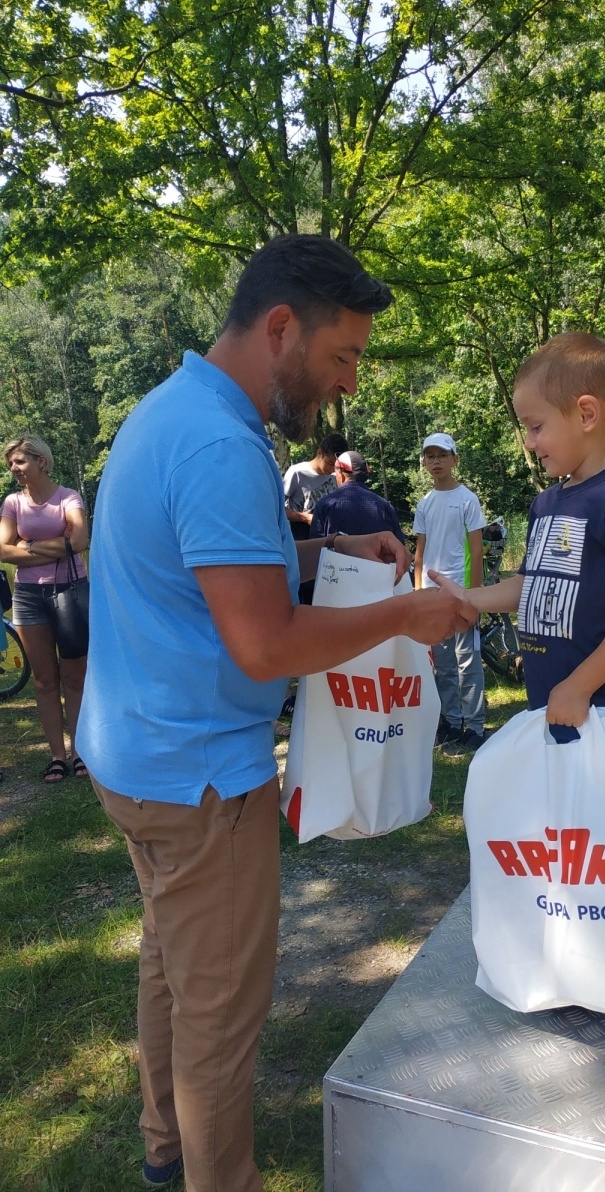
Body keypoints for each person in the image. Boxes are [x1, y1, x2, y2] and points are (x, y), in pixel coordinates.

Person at [75, 233, 474, 1192]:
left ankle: (166, 1145)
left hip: (134, 758)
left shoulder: (173, 411)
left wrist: (331, 551)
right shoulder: (224, 444)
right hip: (202, 777)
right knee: (220, 1012)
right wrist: (405, 613)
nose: (347, 384)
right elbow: (264, 644)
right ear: (282, 327)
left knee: (171, 964)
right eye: (343, 356)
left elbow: (213, 568)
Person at [432, 333, 605, 746]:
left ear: (586, 414)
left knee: (598, 794)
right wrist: (470, 598)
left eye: (536, 427)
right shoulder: (545, 503)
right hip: (553, 699)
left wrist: (580, 686)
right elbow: (530, 585)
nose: (529, 442)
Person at [0, 434, 90, 783]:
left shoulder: (68, 497)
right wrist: (58, 546)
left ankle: (80, 751)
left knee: (74, 677)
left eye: (20, 461)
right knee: (44, 680)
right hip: (28, 596)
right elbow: (3, 550)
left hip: (70, 590)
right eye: (10, 463)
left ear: (41, 461)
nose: (14, 468)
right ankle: (57, 756)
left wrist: (28, 544)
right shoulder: (12, 503)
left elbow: (80, 541)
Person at [413, 432, 487, 756]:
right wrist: (418, 591)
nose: (436, 462)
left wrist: (474, 597)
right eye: (430, 456)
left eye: (442, 455)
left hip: (460, 594)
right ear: (424, 462)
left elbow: (476, 551)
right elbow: (420, 551)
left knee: (467, 661)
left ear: (454, 459)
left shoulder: (467, 499)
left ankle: (475, 727)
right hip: (431, 597)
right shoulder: (425, 504)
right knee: (442, 665)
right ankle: (452, 722)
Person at [309, 450, 406, 545]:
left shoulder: (325, 504)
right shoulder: (385, 506)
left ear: (341, 474)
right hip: (375, 556)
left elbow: (315, 546)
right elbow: (399, 545)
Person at [283, 430, 348, 540]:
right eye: (330, 463)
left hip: (327, 537)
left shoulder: (336, 476)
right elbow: (277, 507)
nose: (333, 469)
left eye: (337, 466)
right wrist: (305, 517)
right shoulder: (297, 473)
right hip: (301, 535)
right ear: (319, 453)